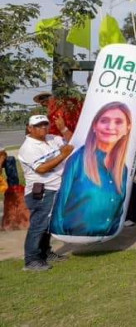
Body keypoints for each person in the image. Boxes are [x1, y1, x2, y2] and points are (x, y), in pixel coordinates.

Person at [51, 102, 133, 237]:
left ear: (127, 128)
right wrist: (59, 231)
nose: (110, 127)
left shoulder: (121, 168)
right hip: (75, 234)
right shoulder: (78, 160)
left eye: (118, 122)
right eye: (104, 121)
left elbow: (118, 206)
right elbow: (61, 201)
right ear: (94, 126)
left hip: (107, 235)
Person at [18, 115, 74, 271]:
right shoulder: (28, 147)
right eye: (38, 125)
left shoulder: (52, 138)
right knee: (38, 225)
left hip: (55, 188)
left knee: (47, 225)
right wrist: (63, 154)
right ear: (30, 128)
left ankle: (45, 253)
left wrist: (63, 129)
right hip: (42, 191)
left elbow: (72, 142)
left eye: (45, 124)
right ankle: (31, 260)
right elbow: (41, 169)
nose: (42, 128)